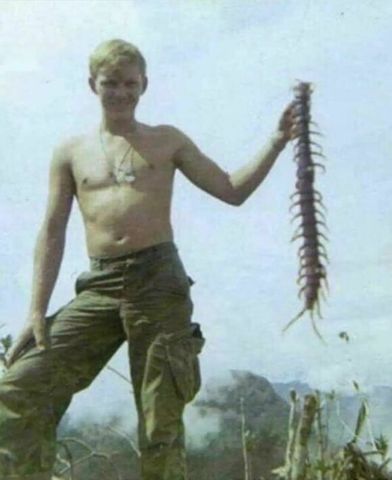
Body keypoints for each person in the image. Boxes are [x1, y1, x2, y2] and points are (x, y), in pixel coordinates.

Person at [0, 39, 296, 480]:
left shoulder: (166, 140)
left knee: (160, 422)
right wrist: (36, 312)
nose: (120, 92)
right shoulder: (70, 152)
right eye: (110, 83)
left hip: (158, 281)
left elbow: (233, 190)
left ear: (144, 86)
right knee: (18, 389)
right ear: (92, 85)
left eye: (129, 83)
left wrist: (275, 141)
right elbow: (53, 230)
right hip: (99, 286)